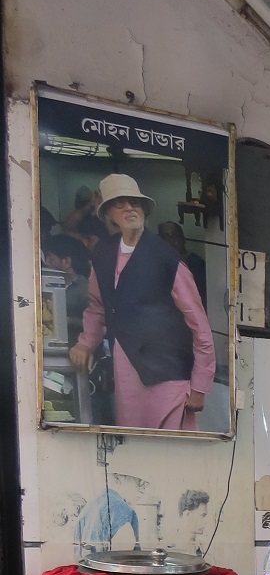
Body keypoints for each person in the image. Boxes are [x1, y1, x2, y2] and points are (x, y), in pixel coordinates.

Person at [69, 174, 215, 432]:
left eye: (134, 202)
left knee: (171, 448)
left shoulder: (166, 257)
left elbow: (199, 323)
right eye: (120, 203)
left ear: (144, 208)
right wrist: (86, 342)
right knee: (133, 444)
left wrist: (200, 385)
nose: (129, 208)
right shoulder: (103, 253)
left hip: (169, 374)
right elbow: (97, 307)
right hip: (126, 374)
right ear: (108, 214)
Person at [42, 233, 91, 345]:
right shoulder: (48, 286)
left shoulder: (85, 289)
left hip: (77, 349)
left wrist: (70, 321)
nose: (47, 262)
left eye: (51, 257)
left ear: (67, 261)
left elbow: (101, 326)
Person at [157, 220, 207, 308]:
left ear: (183, 239)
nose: (171, 241)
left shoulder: (197, 264)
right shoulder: (156, 265)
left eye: (175, 236)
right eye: (166, 237)